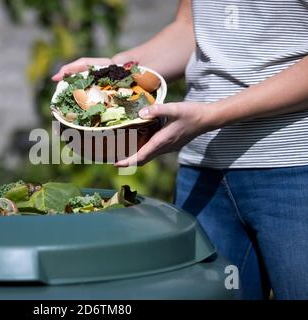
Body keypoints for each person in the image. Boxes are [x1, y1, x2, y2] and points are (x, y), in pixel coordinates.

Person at [52, 0, 308, 300]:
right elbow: (191, 28)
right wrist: (114, 72)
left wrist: (212, 114)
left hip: (293, 169)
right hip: (203, 174)